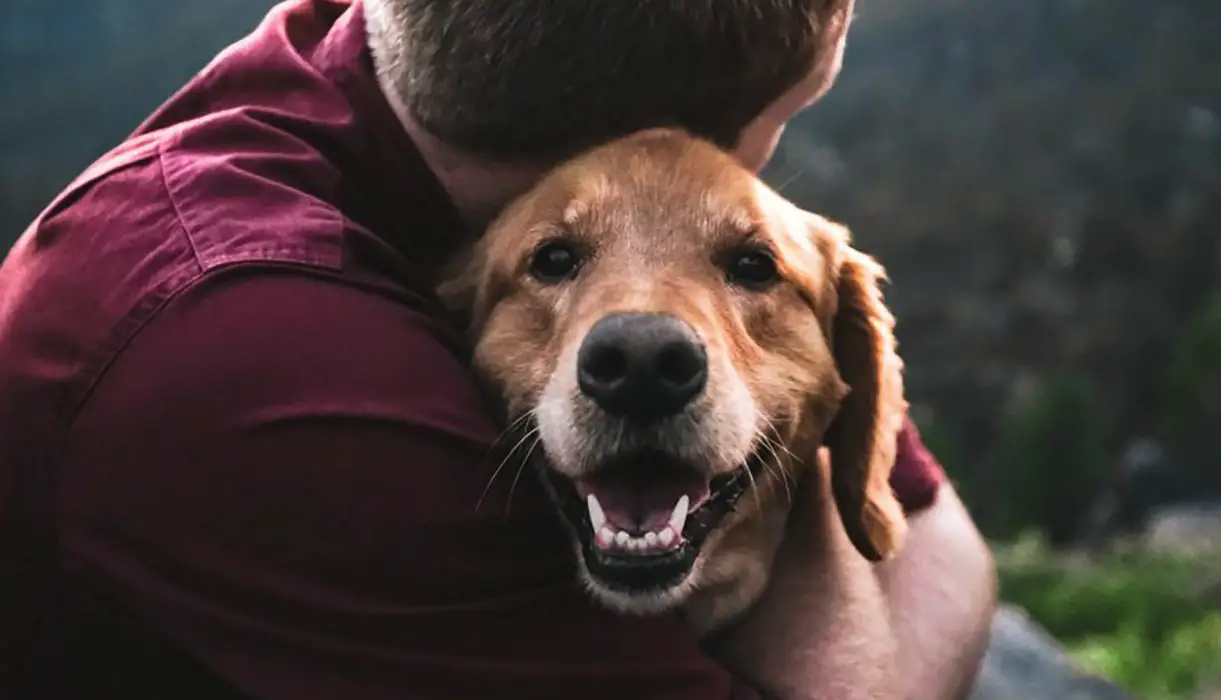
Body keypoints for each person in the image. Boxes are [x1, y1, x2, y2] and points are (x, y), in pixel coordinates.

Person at [0, 0, 998, 697]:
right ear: (658, 131)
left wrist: (803, 454)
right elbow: (927, 569)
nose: (647, 328)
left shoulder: (436, 49)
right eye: (786, 118)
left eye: (741, 257)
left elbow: (935, 531)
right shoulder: (262, 360)